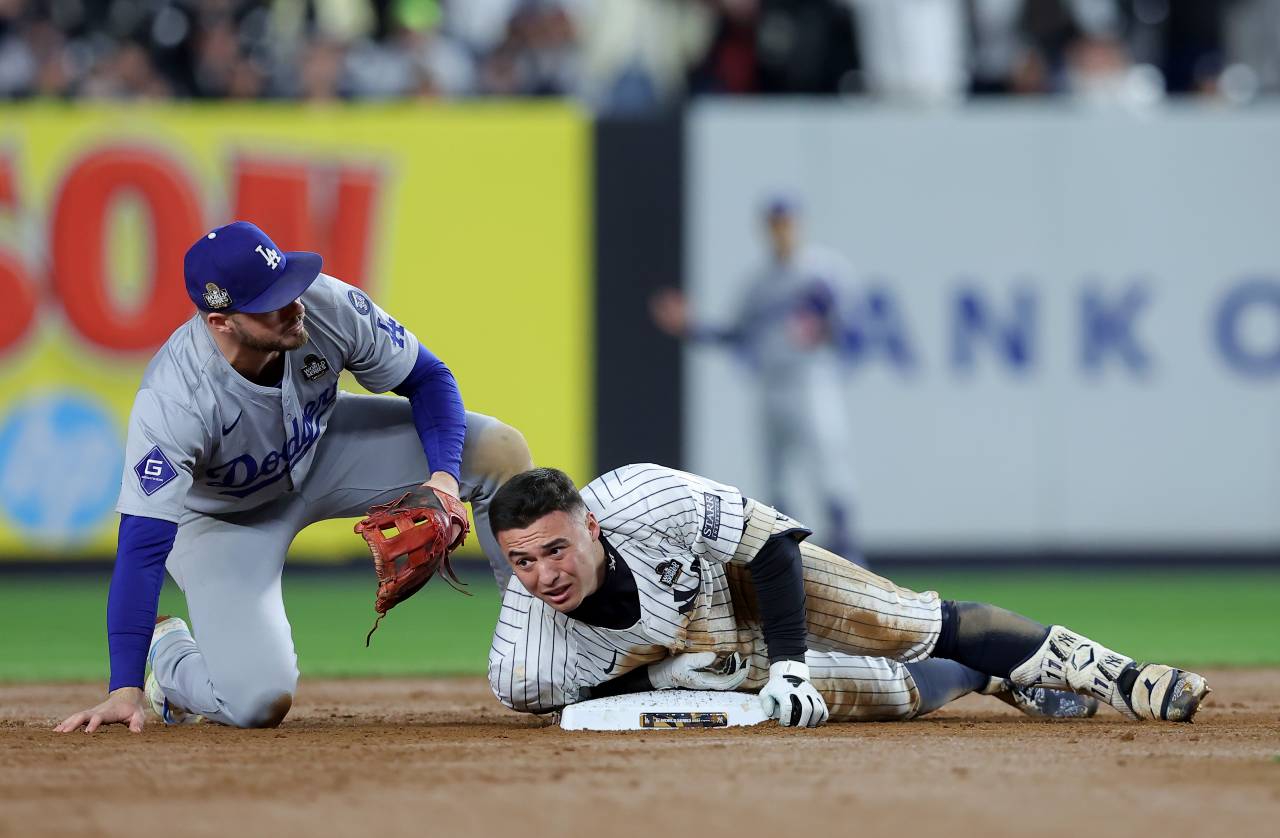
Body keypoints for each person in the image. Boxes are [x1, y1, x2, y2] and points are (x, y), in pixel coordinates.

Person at [55, 221, 532, 733]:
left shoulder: (325, 305)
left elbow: (429, 378)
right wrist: (122, 686)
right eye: (269, 301)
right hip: (224, 521)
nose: (293, 304)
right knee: (257, 702)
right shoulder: (176, 398)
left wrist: (442, 477)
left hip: (327, 452)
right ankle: (170, 657)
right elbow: (141, 546)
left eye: (287, 283)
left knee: (497, 450)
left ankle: (535, 642)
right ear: (221, 321)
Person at [486, 464, 1209, 727]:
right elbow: (572, 706)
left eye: (556, 549)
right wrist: (662, 677)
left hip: (737, 576)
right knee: (888, 694)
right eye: (523, 562)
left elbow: (769, 547)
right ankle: (984, 676)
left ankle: (1121, 676)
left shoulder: (644, 497)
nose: (545, 575)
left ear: (590, 524)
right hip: (701, 661)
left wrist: (793, 662)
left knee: (901, 621)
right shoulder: (522, 659)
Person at [650, 196, 861, 562]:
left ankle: (851, 554)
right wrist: (691, 328)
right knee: (775, 479)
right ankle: (789, 562)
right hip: (771, 383)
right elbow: (736, 334)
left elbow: (852, 328)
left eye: (787, 223)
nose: (781, 231)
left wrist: (827, 326)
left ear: (798, 225)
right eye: (774, 224)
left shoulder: (822, 271)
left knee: (829, 467)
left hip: (811, 378)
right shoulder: (758, 283)